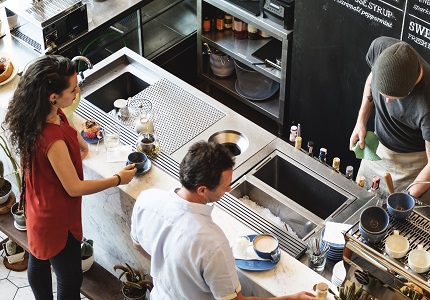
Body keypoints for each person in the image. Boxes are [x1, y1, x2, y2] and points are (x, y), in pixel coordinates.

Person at [2, 55, 137, 299]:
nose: (78, 91)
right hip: (55, 218)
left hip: (39, 203)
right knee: (70, 277)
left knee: (39, 257)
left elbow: (69, 133)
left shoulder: (43, 112)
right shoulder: (51, 139)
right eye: (73, 89)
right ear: (54, 96)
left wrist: (77, 139)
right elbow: (74, 187)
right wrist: (118, 179)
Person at [131, 141, 316, 300]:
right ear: (202, 190)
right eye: (225, 185)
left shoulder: (147, 200)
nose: (229, 190)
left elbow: (137, 244)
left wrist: (170, 269)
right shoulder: (213, 244)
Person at [349, 36, 430, 203]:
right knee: (359, 205)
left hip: (411, 169)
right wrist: (361, 121)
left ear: (411, 89)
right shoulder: (380, 48)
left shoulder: (427, 103)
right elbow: (372, 78)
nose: (386, 102)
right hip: (377, 152)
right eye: (383, 94)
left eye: (393, 98)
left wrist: (408, 198)